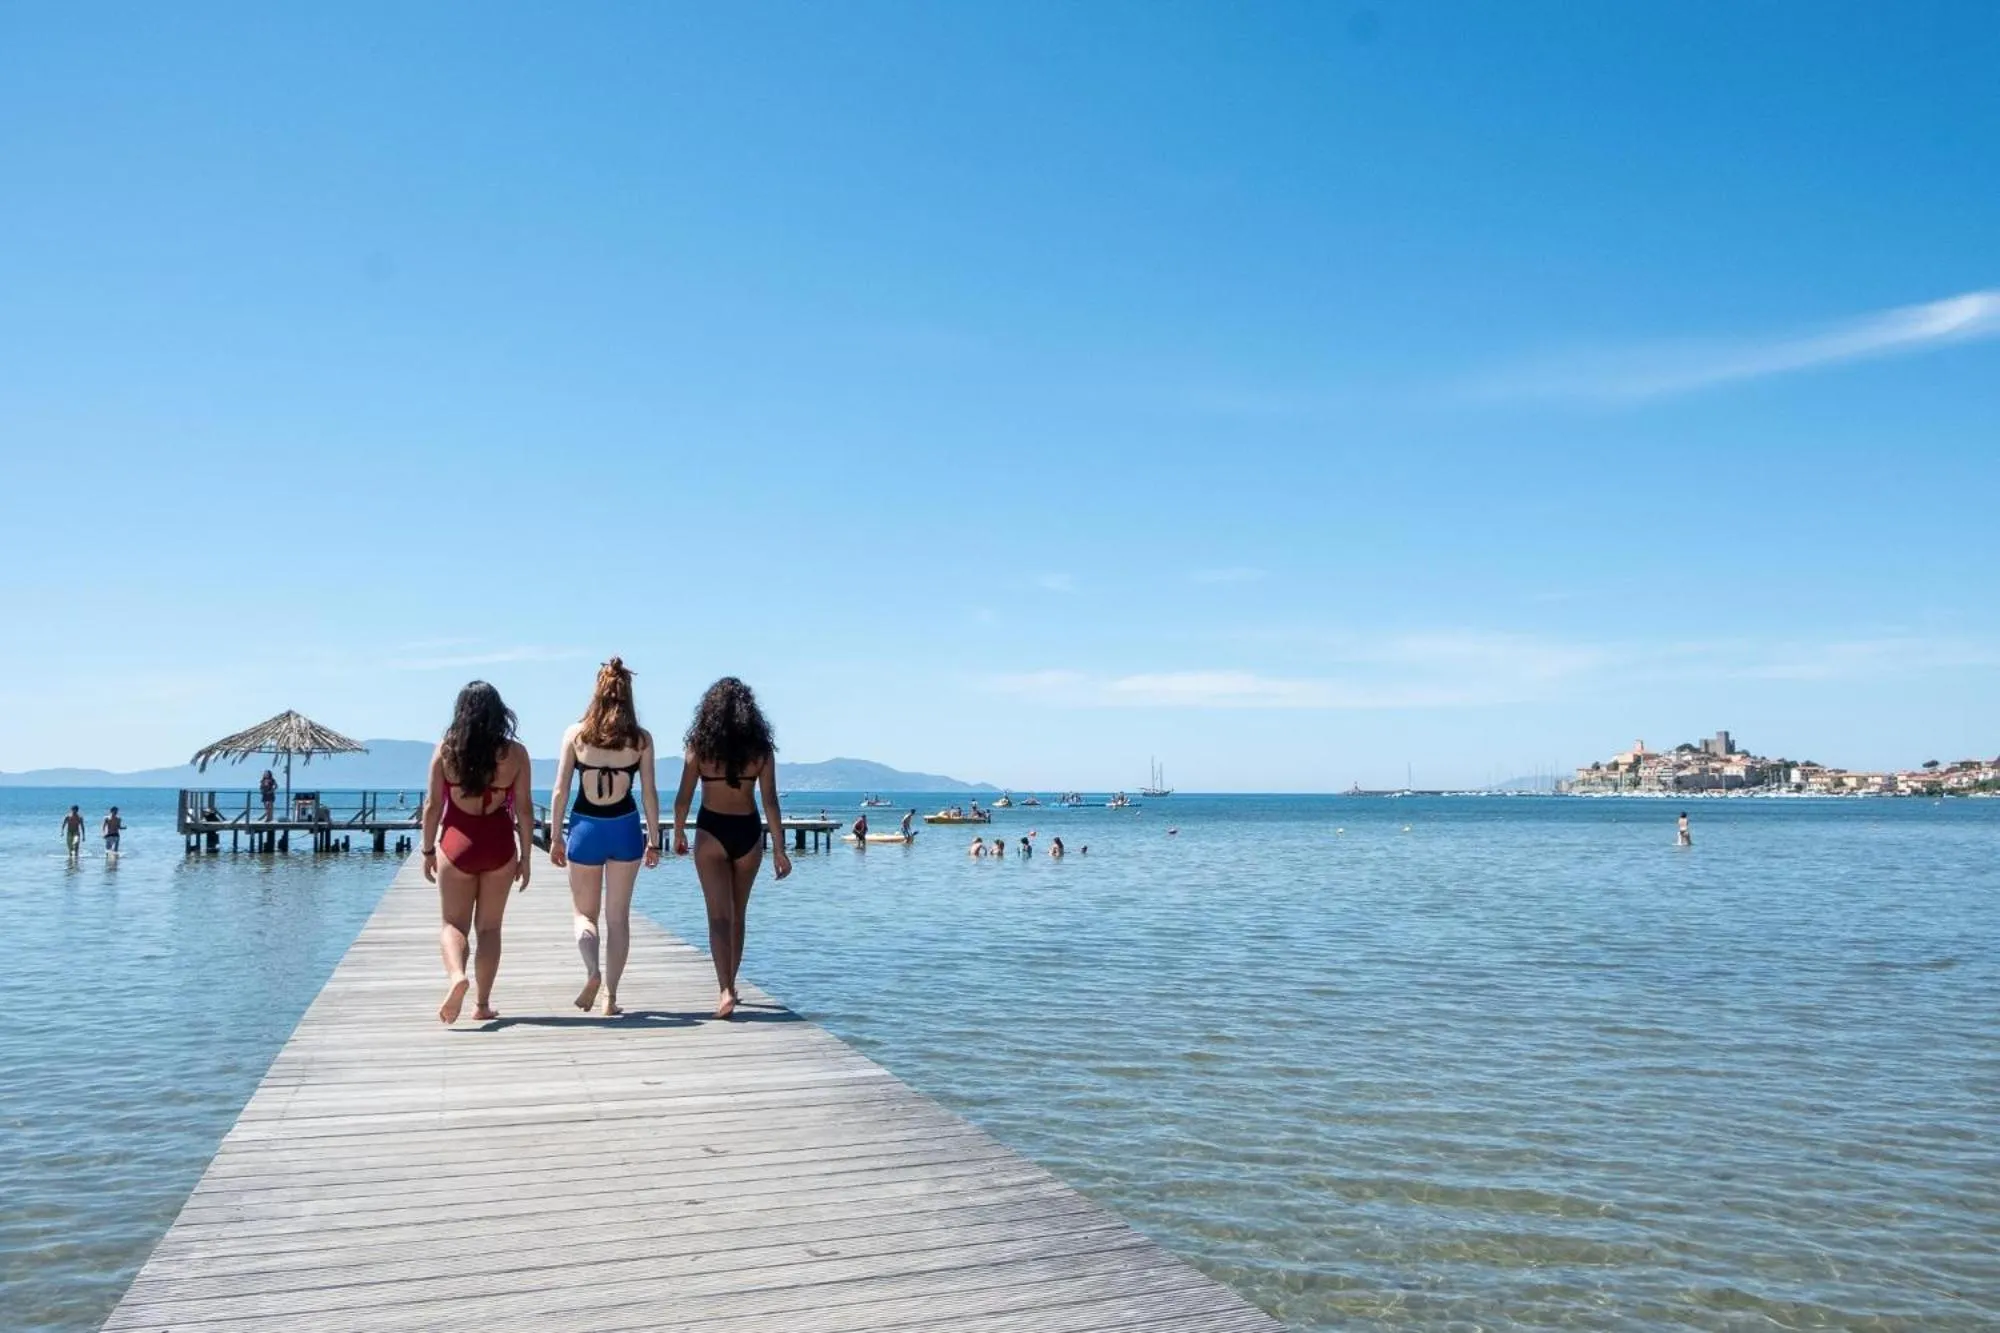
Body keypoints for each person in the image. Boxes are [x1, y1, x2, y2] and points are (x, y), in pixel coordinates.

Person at [673, 677, 790, 1019]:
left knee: (718, 917)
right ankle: (732, 985)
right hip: (748, 832)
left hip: (711, 830)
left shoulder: (699, 747)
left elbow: (683, 799)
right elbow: (770, 802)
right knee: (738, 915)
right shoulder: (760, 751)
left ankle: (724, 988)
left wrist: (678, 832)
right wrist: (780, 850)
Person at [548, 658, 660, 1017]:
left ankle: (592, 971)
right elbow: (649, 794)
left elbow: (560, 791)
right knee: (618, 918)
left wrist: (554, 837)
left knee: (584, 915)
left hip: (585, 828)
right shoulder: (640, 740)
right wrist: (654, 840)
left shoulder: (576, 735)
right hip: (625, 828)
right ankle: (610, 997)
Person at [421, 681, 533, 1025]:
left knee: (453, 924)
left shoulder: (446, 751)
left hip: (458, 843)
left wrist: (427, 850)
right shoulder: (515, 754)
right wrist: (526, 857)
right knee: (489, 929)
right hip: (499, 845)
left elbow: (432, 807)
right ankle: (482, 1004)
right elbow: (525, 810)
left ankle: (457, 975)